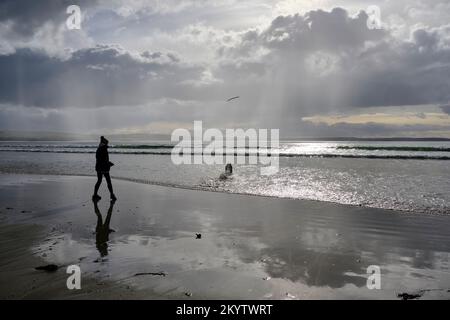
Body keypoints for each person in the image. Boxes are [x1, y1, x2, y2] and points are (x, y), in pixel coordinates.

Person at [92, 136, 117, 201]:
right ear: (104, 143)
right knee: (108, 182)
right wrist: (109, 164)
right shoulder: (104, 149)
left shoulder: (99, 149)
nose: (107, 144)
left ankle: (95, 195)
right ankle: (112, 195)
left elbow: (100, 159)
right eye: (107, 143)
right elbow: (104, 160)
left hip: (98, 167)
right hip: (104, 168)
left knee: (99, 181)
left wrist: (108, 163)